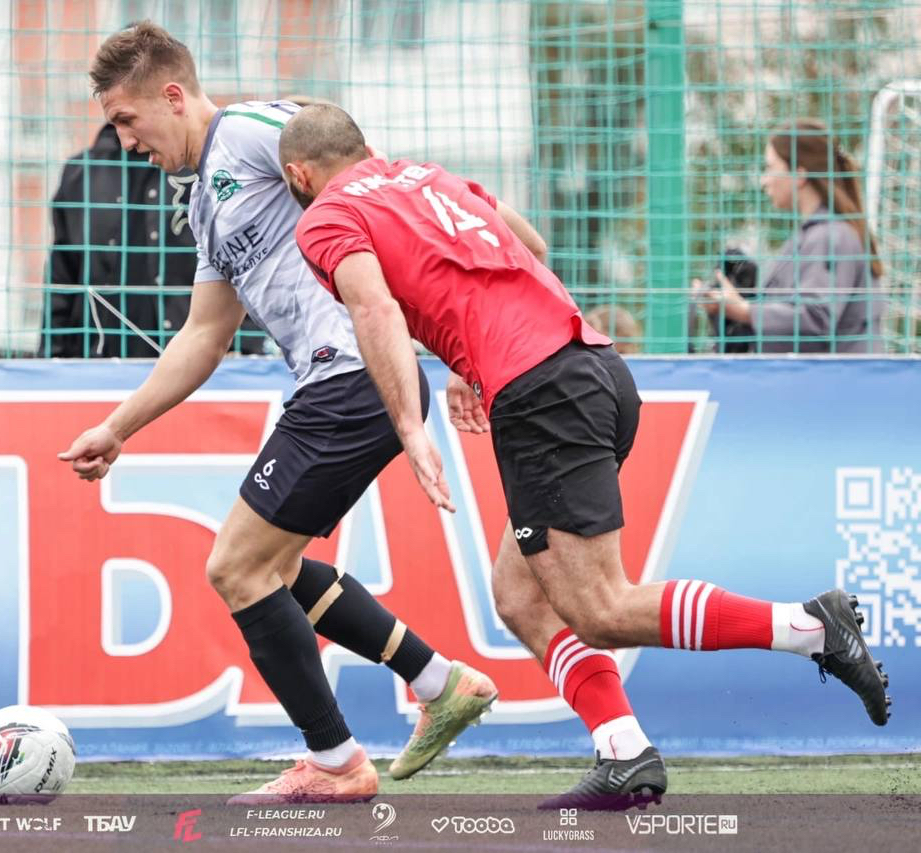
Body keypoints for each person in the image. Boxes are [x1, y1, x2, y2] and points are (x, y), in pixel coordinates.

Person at [279, 103, 891, 810]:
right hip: (590, 365)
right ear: (364, 148)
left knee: (600, 607)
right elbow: (532, 247)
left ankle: (810, 627)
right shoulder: (429, 177)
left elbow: (375, 309)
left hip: (542, 393)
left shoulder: (326, 215)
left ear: (299, 175)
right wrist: (466, 357)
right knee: (518, 594)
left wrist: (411, 428)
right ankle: (625, 751)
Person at [59, 21, 496, 804]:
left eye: (126, 119)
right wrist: (117, 427)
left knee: (237, 567)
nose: (124, 142)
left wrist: (462, 347)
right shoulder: (203, 202)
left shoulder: (257, 131)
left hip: (354, 378)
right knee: (274, 569)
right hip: (333, 386)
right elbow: (204, 335)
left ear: (173, 96)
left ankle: (336, 761)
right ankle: (440, 681)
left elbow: (385, 194)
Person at [693, 118, 882, 353]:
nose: (764, 180)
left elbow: (816, 319)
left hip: (837, 375)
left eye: (770, 168)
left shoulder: (831, 236)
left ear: (799, 174)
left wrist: (742, 310)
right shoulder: (814, 235)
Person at [41, 123, 195, 358]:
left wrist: (244, 349)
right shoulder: (82, 173)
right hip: (101, 360)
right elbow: (61, 276)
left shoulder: (198, 169)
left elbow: (236, 262)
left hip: (191, 357)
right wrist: (52, 357)